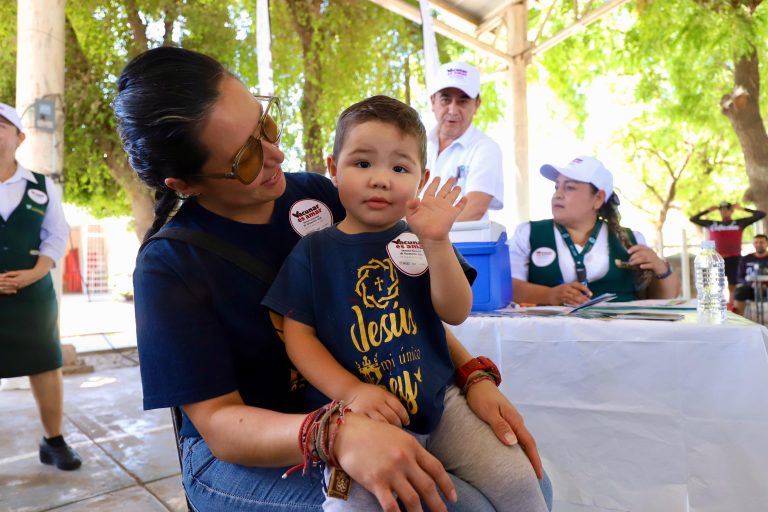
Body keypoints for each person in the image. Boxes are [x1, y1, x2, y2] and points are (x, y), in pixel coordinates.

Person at [115, 46, 549, 512]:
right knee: (459, 507)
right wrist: (334, 433)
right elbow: (220, 425)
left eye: (266, 125)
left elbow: (400, 304)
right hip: (248, 449)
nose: (276, 154)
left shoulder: (321, 196)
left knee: (530, 485)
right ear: (185, 184)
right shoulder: (169, 266)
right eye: (246, 158)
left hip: (365, 407)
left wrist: (470, 375)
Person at [262, 96, 549, 512]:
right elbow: (297, 336)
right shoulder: (313, 251)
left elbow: (455, 311)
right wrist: (351, 391)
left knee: (520, 481)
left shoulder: (421, 238)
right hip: (359, 421)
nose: (381, 179)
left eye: (399, 168)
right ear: (333, 168)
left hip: (443, 405)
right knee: (353, 505)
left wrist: (437, 242)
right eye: (363, 163)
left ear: (421, 178)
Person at [0, 102, 81, 470]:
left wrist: (36, 272)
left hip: (32, 294)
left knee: (45, 363)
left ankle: (54, 441)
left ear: (19, 137)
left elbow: (56, 234)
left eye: (1, 126)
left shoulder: (41, 184)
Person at [510, 156, 680, 306]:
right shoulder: (528, 234)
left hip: (619, 330)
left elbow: (664, 300)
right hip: (552, 332)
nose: (558, 195)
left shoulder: (631, 239)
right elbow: (506, 286)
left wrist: (661, 268)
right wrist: (549, 295)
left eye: (569, 187)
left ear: (598, 198)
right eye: (557, 187)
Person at [426, 62, 503, 221]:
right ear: (433, 102)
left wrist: (423, 230)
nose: (453, 110)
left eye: (462, 101)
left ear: (476, 104)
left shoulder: (486, 149)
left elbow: (475, 208)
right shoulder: (417, 144)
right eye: (445, 100)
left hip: (460, 240)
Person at [689, 202, 766, 304]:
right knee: (714, 284)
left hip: (734, 258)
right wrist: (708, 211)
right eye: (721, 210)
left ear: (731, 211)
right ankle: (716, 304)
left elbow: (761, 215)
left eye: (727, 209)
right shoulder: (712, 224)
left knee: (733, 285)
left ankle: (732, 306)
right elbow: (693, 219)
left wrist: (742, 208)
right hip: (716, 259)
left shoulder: (739, 223)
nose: (724, 212)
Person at [732, 234, 768, 316]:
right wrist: (751, 284)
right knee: (740, 291)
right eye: (756, 242)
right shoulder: (745, 259)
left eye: (761, 242)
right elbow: (739, 277)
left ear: (766, 243)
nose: (758, 245)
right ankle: (738, 318)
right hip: (751, 287)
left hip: (766, 287)